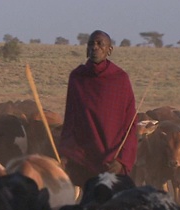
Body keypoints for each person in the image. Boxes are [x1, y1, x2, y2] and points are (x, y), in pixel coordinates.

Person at [59, 30, 137, 187]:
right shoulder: (77, 77)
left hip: (112, 162)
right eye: (91, 44)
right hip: (83, 159)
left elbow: (130, 124)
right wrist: (67, 153)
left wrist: (122, 161)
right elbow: (70, 119)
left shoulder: (120, 79)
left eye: (100, 44)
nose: (95, 47)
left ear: (109, 50)